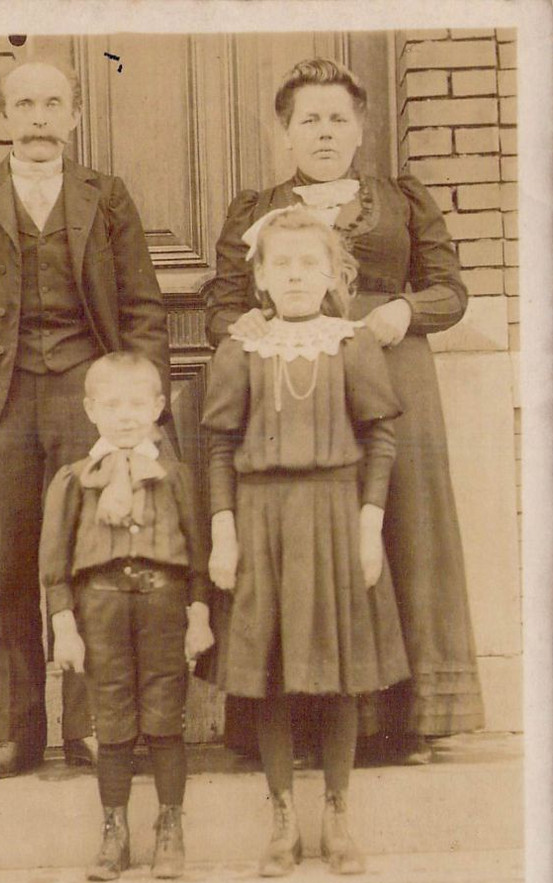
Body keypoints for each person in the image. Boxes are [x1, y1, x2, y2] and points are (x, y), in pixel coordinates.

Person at [206, 57, 484, 764]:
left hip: (392, 374)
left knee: (401, 532)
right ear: (285, 133)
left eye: (337, 118)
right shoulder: (254, 209)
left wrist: (403, 308)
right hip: (290, 393)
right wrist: (253, 335)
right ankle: (294, 722)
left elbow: (450, 291)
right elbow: (221, 306)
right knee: (301, 543)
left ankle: (405, 721)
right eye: (308, 120)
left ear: (359, 128)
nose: (323, 132)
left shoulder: (400, 199)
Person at [0, 60, 172, 780]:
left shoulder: (107, 196)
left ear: (74, 115)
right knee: (4, 570)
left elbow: (143, 308)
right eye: (24, 104)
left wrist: (138, 410)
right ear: (5, 116)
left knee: (92, 561)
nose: (37, 117)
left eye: (51, 103)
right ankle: (18, 733)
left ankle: (89, 728)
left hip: (86, 400)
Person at [203, 205, 409, 876]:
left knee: (338, 675)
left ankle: (338, 813)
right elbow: (219, 445)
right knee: (270, 675)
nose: (294, 276)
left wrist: (369, 523)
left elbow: (380, 434)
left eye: (307, 265)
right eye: (280, 265)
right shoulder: (240, 347)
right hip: (261, 520)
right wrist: (223, 532)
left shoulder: (352, 344)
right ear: (259, 277)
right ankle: (282, 814)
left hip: (332, 516)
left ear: (331, 276)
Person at [39, 352, 213, 880]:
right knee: (111, 722)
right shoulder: (73, 480)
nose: (125, 415)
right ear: (91, 409)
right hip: (101, 609)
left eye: (138, 403)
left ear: (159, 407)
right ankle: (114, 833)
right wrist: (65, 628)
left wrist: (200, 616)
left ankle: (170, 827)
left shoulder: (176, 477)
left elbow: (200, 557)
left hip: (163, 606)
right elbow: (54, 566)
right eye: (112, 404)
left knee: (164, 717)